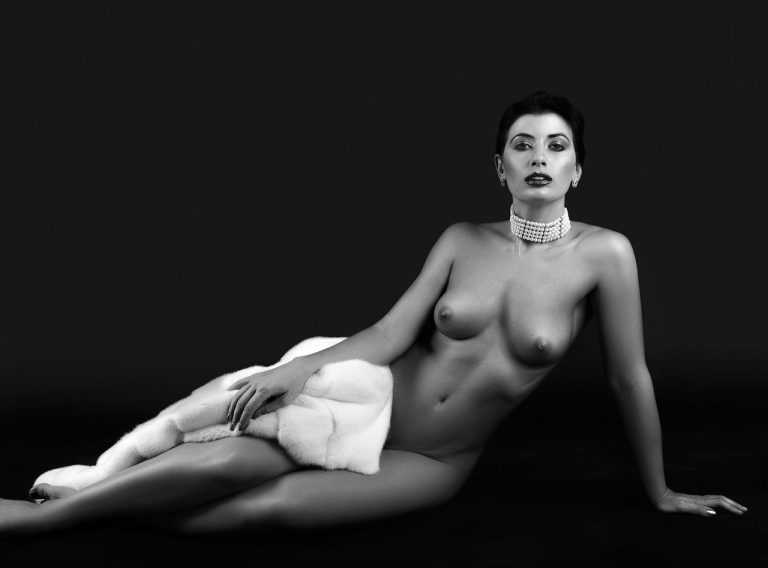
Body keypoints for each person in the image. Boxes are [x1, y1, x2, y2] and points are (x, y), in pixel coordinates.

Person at [0, 90, 747, 536]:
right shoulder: (462, 239)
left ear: (578, 168)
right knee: (224, 460)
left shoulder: (606, 254)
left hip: (432, 459)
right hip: (368, 413)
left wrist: (661, 491)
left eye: (557, 146)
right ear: (500, 166)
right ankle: (47, 520)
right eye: (522, 146)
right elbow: (390, 333)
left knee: (269, 511)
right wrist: (296, 372)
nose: (539, 158)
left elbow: (629, 378)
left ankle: (88, 511)